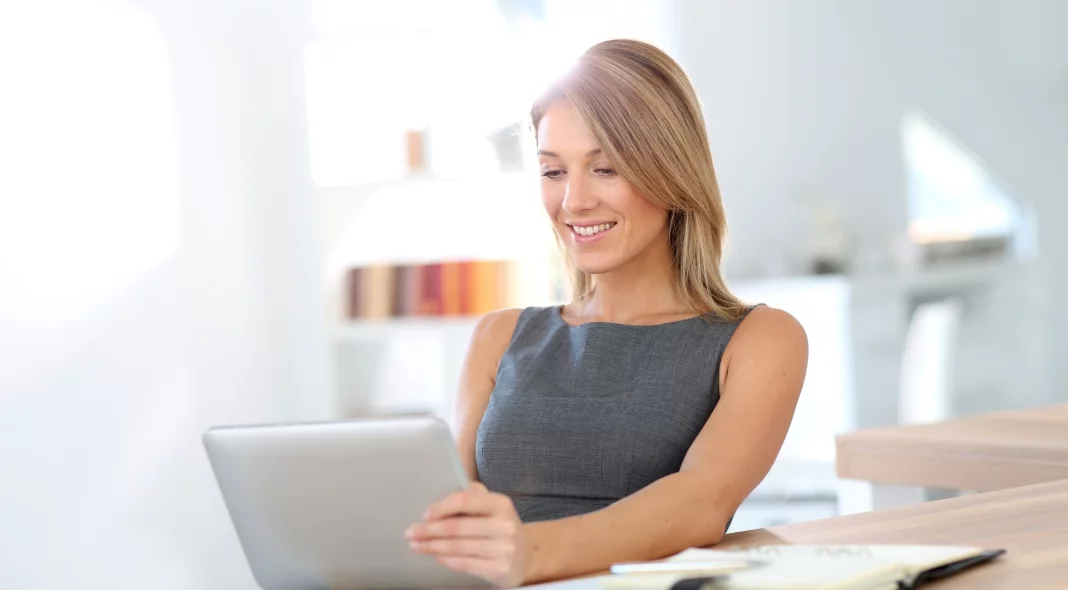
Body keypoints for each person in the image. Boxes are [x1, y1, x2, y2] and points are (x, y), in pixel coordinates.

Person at [404, 39, 808, 587]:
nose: (573, 201)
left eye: (605, 168)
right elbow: (450, 512)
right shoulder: (499, 336)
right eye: (552, 172)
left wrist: (531, 551)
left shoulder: (759, 341)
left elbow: (701, 504)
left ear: (669, 169)